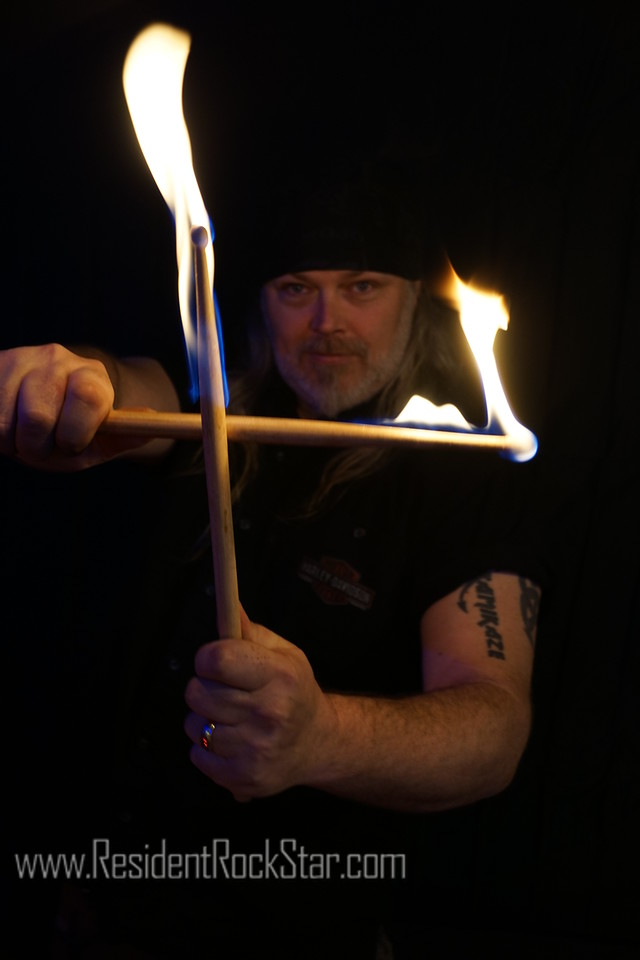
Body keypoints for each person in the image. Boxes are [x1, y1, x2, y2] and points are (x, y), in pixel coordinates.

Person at [1, 170, 545, 958]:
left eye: (361, 287)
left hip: (299, 929)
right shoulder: (216, 407)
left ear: (412, 301)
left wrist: (322, 736)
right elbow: (126, 389)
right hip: (104, 901)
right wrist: (74, 379)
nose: (327, 322)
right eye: (296, 290)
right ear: (261, 304)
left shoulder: (460, 472)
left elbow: (494, 729)